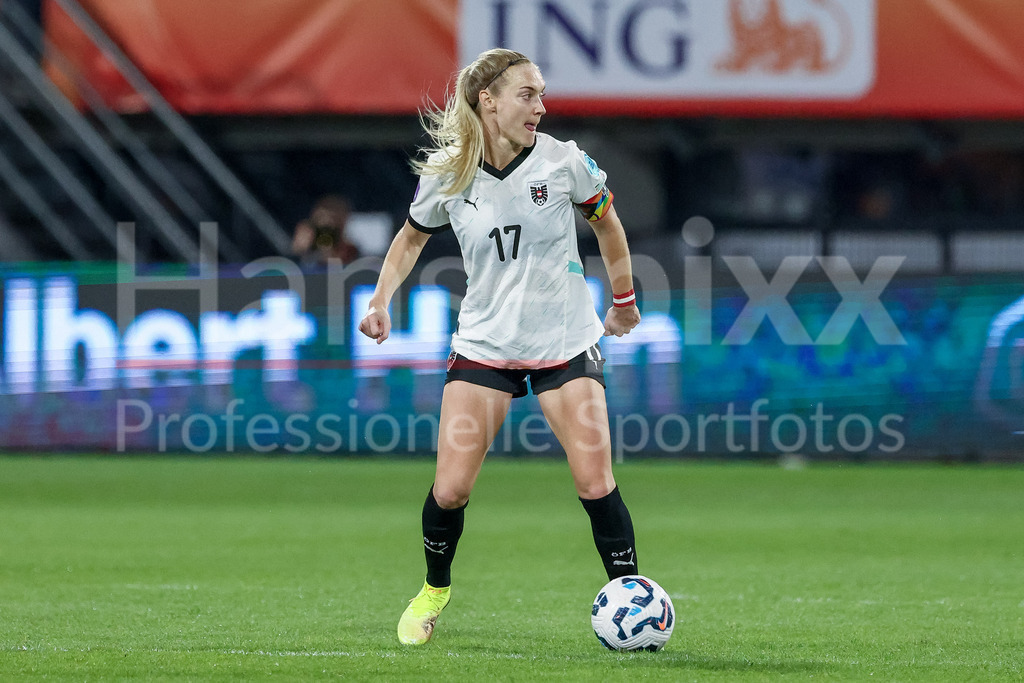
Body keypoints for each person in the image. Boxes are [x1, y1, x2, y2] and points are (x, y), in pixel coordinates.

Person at [357, 48, 642, 646]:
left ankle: (631, 600)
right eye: (527, 94)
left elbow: (607, 224)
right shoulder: (449, 174)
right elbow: (410, 239)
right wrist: (380, 299)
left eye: (541, 95)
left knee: (595, 482)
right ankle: (434, 589)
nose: (540, 107)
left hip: (564, 341)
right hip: (486, 345)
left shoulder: (564, 161)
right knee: (450, 490)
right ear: (488, 100)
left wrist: (623, 299)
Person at [291, 194, 359, 265]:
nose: (327, 224)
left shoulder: (349, 247)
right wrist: (299, 250)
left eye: (333, 219)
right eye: (320, 218)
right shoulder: (308, 237)